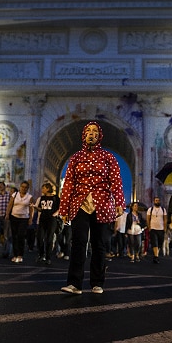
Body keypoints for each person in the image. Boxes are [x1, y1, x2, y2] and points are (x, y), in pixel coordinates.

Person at [59, 121, 125, 295]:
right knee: (78, 243)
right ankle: (74, 283)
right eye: (88, 130)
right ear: (84, 135)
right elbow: (68, 185)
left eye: (95, 131)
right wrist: (64, 209)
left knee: (99, 244)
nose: (91, 133)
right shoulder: (75, 158)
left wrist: (119, 202)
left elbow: (116, 181)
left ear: (99, 136)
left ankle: (97, 282)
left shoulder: (108, 157)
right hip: (80, 203)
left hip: (101, 203)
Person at [6, 181, 34, 263]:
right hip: (14, 217)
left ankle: (20, 255)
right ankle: (15, 255)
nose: (24, 188)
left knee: (21, 236)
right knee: (14, 236)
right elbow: (10, 204)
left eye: (26, 187)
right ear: (20, 187)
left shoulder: (30, 197)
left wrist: (31, 218)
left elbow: (31, 208)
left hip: (24, 218)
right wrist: (7, 214)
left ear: (27, 188)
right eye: (22, 187)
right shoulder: (14, 195)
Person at [32, 183, 60, 265]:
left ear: (48, 189)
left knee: (49, 238)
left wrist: (55, 213)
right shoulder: (42, 198)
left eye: (43, 188)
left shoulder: (55, 198)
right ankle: (41, 254)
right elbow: (41, 209)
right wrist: (35, 207)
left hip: (52, 220)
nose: (42, 190)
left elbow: (60, 207)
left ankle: (48, 257)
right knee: (40, 237)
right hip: (42, 219)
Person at [147, 196, 167, 264]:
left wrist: (165, 228)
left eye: (158, 200)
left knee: (159, 243)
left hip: (161, 229)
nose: (157, 201)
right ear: (154, 201)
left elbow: (165, 219)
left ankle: (156, 255)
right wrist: (149, 227)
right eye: (156, 200)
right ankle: (156, 256)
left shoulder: (163, 209)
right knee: (154, 242)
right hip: (153, 228)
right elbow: (148, 218)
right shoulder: (151, 209)